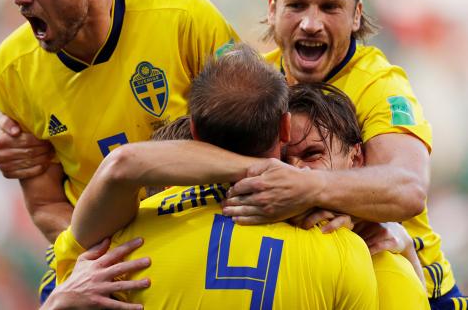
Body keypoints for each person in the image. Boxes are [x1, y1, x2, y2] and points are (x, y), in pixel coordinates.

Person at [53, 48, 427, 309]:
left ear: (196, 134)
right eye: (286, 159)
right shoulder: (347, 254)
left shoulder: (115, 249)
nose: (294, 173)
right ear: (282, 130)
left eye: (312, 155)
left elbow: (121, 168)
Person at [0, 0, 237, 302]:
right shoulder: (12, 68)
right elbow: (44, 204)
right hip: (103, 251)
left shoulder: (183, 16)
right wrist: (103, 257)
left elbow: (256, 131)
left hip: (203, 226)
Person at [219, 0, 463, 307]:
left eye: (330, 7)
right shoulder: (254, 83)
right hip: (310, 277)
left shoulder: (378, 83)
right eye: (296, 5)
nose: (311, 24)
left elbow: (407, 187)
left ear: (356, 15)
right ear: (272, 8)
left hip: (408, 282)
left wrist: (305, 188)